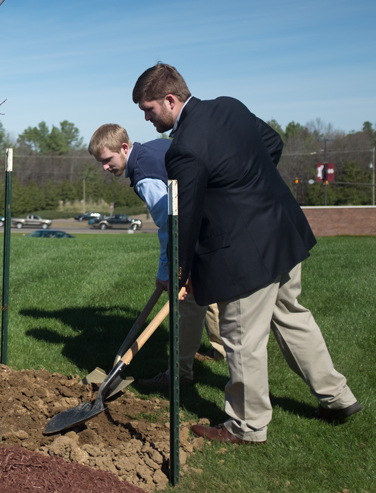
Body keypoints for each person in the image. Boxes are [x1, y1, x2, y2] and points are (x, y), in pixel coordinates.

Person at [131, 63, 361, 444]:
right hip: (283, 233)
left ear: (170, 100)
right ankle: (337, 397)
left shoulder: (182, 149)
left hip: (242, 257)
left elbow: (185, 220)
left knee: (242, 341)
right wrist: (246, 187)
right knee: (294, 320)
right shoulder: (230, 106)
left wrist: (181, 271)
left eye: (148, 109)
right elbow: (272, 143)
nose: (146, 118)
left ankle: (246, 425)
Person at [88, 124, 226, 388]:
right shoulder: (153, 147)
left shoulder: (144, 176)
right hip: (210, 224)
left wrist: (168, 272)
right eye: (100, 162)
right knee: (209, 294)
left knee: (187, 304)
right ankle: (220, 350)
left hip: (196, 230)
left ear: (124, 148)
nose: (105, 167)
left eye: (107, 160)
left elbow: (169, 224)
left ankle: (179, 375)